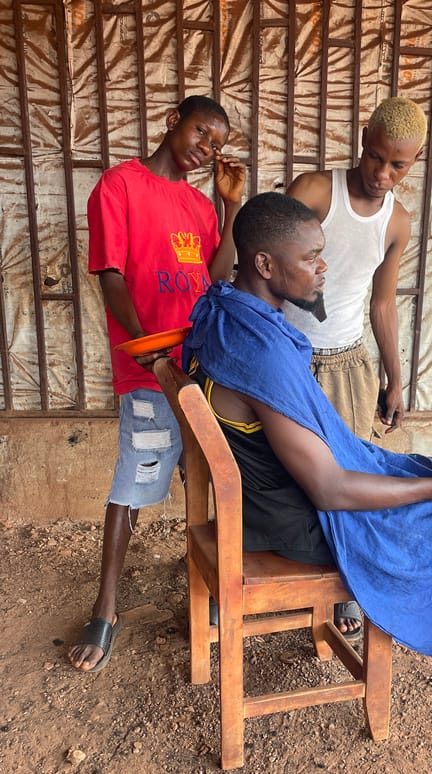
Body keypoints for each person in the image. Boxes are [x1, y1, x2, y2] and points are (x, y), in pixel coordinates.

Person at [183, 192, 432, 740]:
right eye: (310, 258)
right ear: (265, 264)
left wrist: (430, 476)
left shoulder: (222, 312)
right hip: (300, 522)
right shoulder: (264, 353)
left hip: (267, 503)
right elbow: (327, 489)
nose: (324, 267)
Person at [68, 95, 246, 673]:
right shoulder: (119, 186)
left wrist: (232, 208)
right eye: (201, 133)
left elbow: (216, 278)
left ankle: (212, 594)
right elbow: (111, 277)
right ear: (173, 121)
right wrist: (150, 350)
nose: (207, 150)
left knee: (212, 478)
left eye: (217, 144)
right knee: (135, 481)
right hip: (148, 368)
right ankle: (107, 607)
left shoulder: (200, 204)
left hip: (199, 368)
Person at [283, 96, 426, 441]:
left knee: (344, 473)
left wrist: (395, 380)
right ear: (364, 138)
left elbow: (383, 304)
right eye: (375, 156)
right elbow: (268, 271)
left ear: (415, 160)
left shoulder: (396, 222)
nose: (381, 174)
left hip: (346, 364)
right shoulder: (313, 192)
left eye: (397, 165)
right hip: (287, 352)